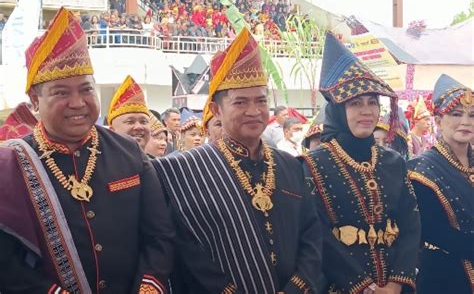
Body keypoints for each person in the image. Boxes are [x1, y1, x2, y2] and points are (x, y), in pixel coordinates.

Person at [0, 7, 174, 293]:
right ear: (35, 99)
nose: (78, 102)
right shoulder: (10, 164)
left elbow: (160, 235)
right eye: (61, 93)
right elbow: (6, 261)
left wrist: (149, 285)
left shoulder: (129, 153)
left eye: (86, 89)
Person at [153, 28, 322, 293]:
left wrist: (296, 288)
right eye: (240, 102)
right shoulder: (183, 171)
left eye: (261, 101)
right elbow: (187, 249)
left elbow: (311, 233)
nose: (254, 111)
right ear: (218, 110)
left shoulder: (290, 165)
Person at [300, 32, 420, 293]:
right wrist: (363, 287)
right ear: (338, 110)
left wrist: (396, 283)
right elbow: (318, 235)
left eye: (372, 103)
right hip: (338, 285)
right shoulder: (311, 165)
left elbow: (411, 224)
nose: (367, 112)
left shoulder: (393, 161)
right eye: (355, 103)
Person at [408, 74, 474, 294]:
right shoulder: (421, 168)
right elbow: (433, 231)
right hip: (445, 276)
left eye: (472, 115)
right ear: (437, 120)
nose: (466, 121)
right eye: (456, 114)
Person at [107, 75, 151, 151]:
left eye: (143, 122)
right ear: (112, 131)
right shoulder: (101, 162)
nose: (138, 127)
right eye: (130, 122)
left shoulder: (158, 162)